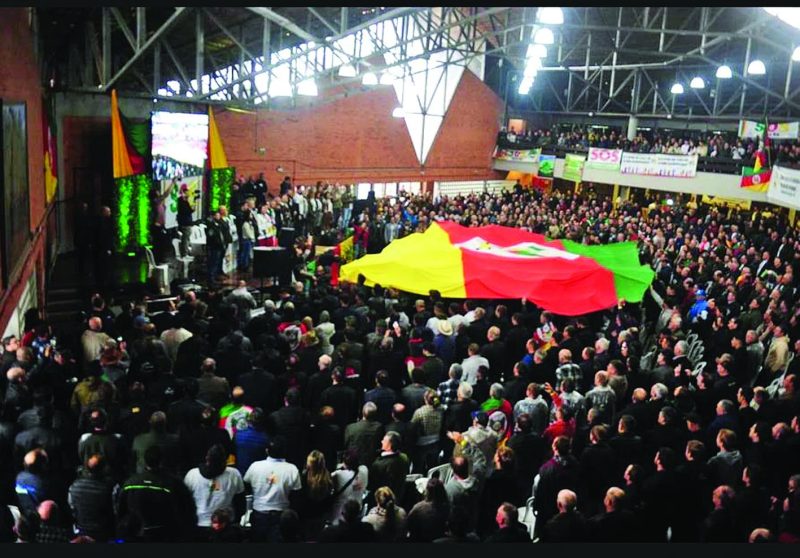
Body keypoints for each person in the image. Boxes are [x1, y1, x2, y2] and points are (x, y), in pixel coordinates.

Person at [243, 437, 301, 542]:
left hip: (259, 513)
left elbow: (246, 485)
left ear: (267, 450)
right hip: (281, 514)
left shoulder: (255, 466)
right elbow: (296, 494)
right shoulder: (292, 469)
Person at [183, 444, 245, 538]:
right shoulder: (234, 474)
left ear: (207, 458)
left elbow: (185, 503)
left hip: (200, 522)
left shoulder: (192, 475)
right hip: (224, 524)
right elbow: (240, 502)